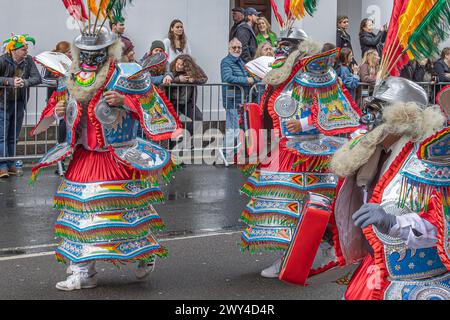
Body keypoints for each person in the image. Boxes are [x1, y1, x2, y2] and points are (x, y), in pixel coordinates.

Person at [30, 2, 182, 291]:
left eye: (95, 53)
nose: (89, 58)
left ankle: (145, 253)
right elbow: (52, 109)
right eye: (84, 53)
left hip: (119, 154)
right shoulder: (72, 76)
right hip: (84, 156)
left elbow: (156, 108)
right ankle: (82, 271)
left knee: (123, 212)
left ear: (108, 51)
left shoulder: (127, 73)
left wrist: (126, 102)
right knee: (80, 213)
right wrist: (58, 112)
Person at [239, 24, 363, 283]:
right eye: (280, 47)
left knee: (302, 204)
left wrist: (306, 124)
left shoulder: (316, 73)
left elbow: (336, 111)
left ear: (300, 51)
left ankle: (299, 255)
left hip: (308, 151)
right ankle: (308, 251)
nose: (281, 52)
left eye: (287, 48)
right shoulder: (278, 75)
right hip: (280, 148)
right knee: (289, 203)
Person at [331, 77, 448, 300]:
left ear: (403, 116)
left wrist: (394, 223)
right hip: (375, 265)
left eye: (378, 110)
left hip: (417, 281)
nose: (369, 117)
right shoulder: (374, 148)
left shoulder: (429, 159)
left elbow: (440, 229)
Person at [0, 34, 41, 178]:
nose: (26, 51)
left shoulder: (28, 61)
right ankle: (2, 166)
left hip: (19, 103)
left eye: (26, 48)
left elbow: (37, 78)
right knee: (2, 136)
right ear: (13, 50)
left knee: (13, 136)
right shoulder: (2, 60)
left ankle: (10, 164)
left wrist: (24, 82)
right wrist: (10, 81)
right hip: (2, 104)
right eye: (23, 49)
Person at [220, 38, 256, 164]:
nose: (237, 50)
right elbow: (228, 77)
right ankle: (224, 155)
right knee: (232, 128)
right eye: (234, 47)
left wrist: (252, 80)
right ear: (229, 49)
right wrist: (247, 80)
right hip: (231, 99)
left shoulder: (241, 62)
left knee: (235, 128)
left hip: (240, 99)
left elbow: (251, 76)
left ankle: (230, 155)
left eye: (239, 48)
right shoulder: (226, 62)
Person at [40, 41, 72, 175]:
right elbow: (43, 79)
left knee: (71, 127)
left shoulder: (73, 64)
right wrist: (59, 81)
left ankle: (70, 161)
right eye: (68, 52)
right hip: (58, 100)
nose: (71, 54)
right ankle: (60, 162)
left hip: (72, 99)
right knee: (63, 126)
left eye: (71, 52)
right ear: (62, 53)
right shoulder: (51, 64)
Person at [167, 54, 207, 141]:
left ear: (187, 66)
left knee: (198, 118)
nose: (178, 66)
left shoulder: (192, 69)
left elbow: (204, 78)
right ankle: (169, 145)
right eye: (177, 63)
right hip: (172, 102)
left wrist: (193, 80)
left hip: (187, 102)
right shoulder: (171, 67)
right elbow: (165, 78)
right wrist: (178, 79)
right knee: (171, 124)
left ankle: (186, 135)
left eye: (181, 65)